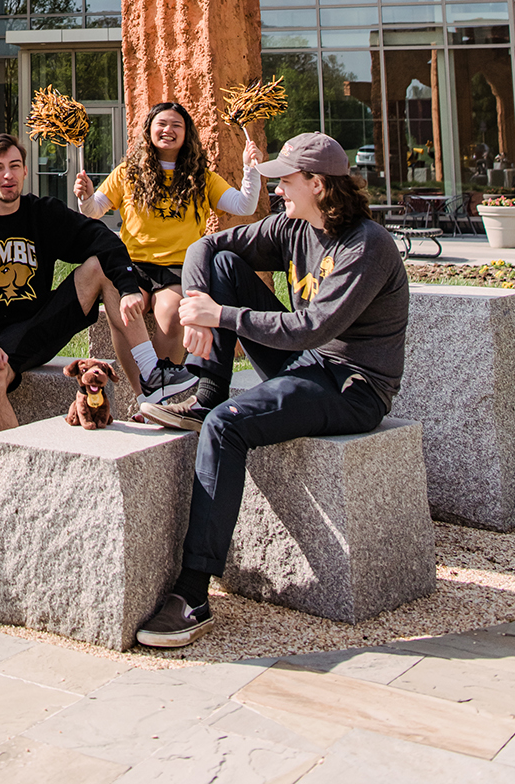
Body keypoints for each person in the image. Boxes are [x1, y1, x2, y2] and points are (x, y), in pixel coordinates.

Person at [134, 131, 409, 649]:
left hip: (352, 387)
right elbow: (205, 246)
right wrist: (199, 306)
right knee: (224, 265)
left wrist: (220, 315)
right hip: (307, 364)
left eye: (285, 180)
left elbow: (312, 328)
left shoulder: (366, 245)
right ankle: (209, 390)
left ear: (317, 183)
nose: (276, 190)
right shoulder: (292, 226)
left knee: (227, 429)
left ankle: (193, 592)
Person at [0, 133, 145, 433]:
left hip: (45, 320)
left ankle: (151, 387)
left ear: (26, 171)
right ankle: (8, 476)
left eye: (15, 166)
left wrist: (129, 286)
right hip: (1, 336)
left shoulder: (43, 213)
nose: (8, 175)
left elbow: (101, 238)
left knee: (100, 265)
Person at [76, 100, 263, 413]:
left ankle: (159, 386)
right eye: (161, 123)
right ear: (149, 130)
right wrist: (84, 197)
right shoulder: (128, 173)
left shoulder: (201, 177)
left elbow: (244, 206)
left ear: (187, 133)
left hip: (179, 267)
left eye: (177, 125)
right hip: (134, 265)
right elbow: (94, 210)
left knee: (171, 313)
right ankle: (146, 394)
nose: (168, 130)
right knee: (123, 308)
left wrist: (251, 169)